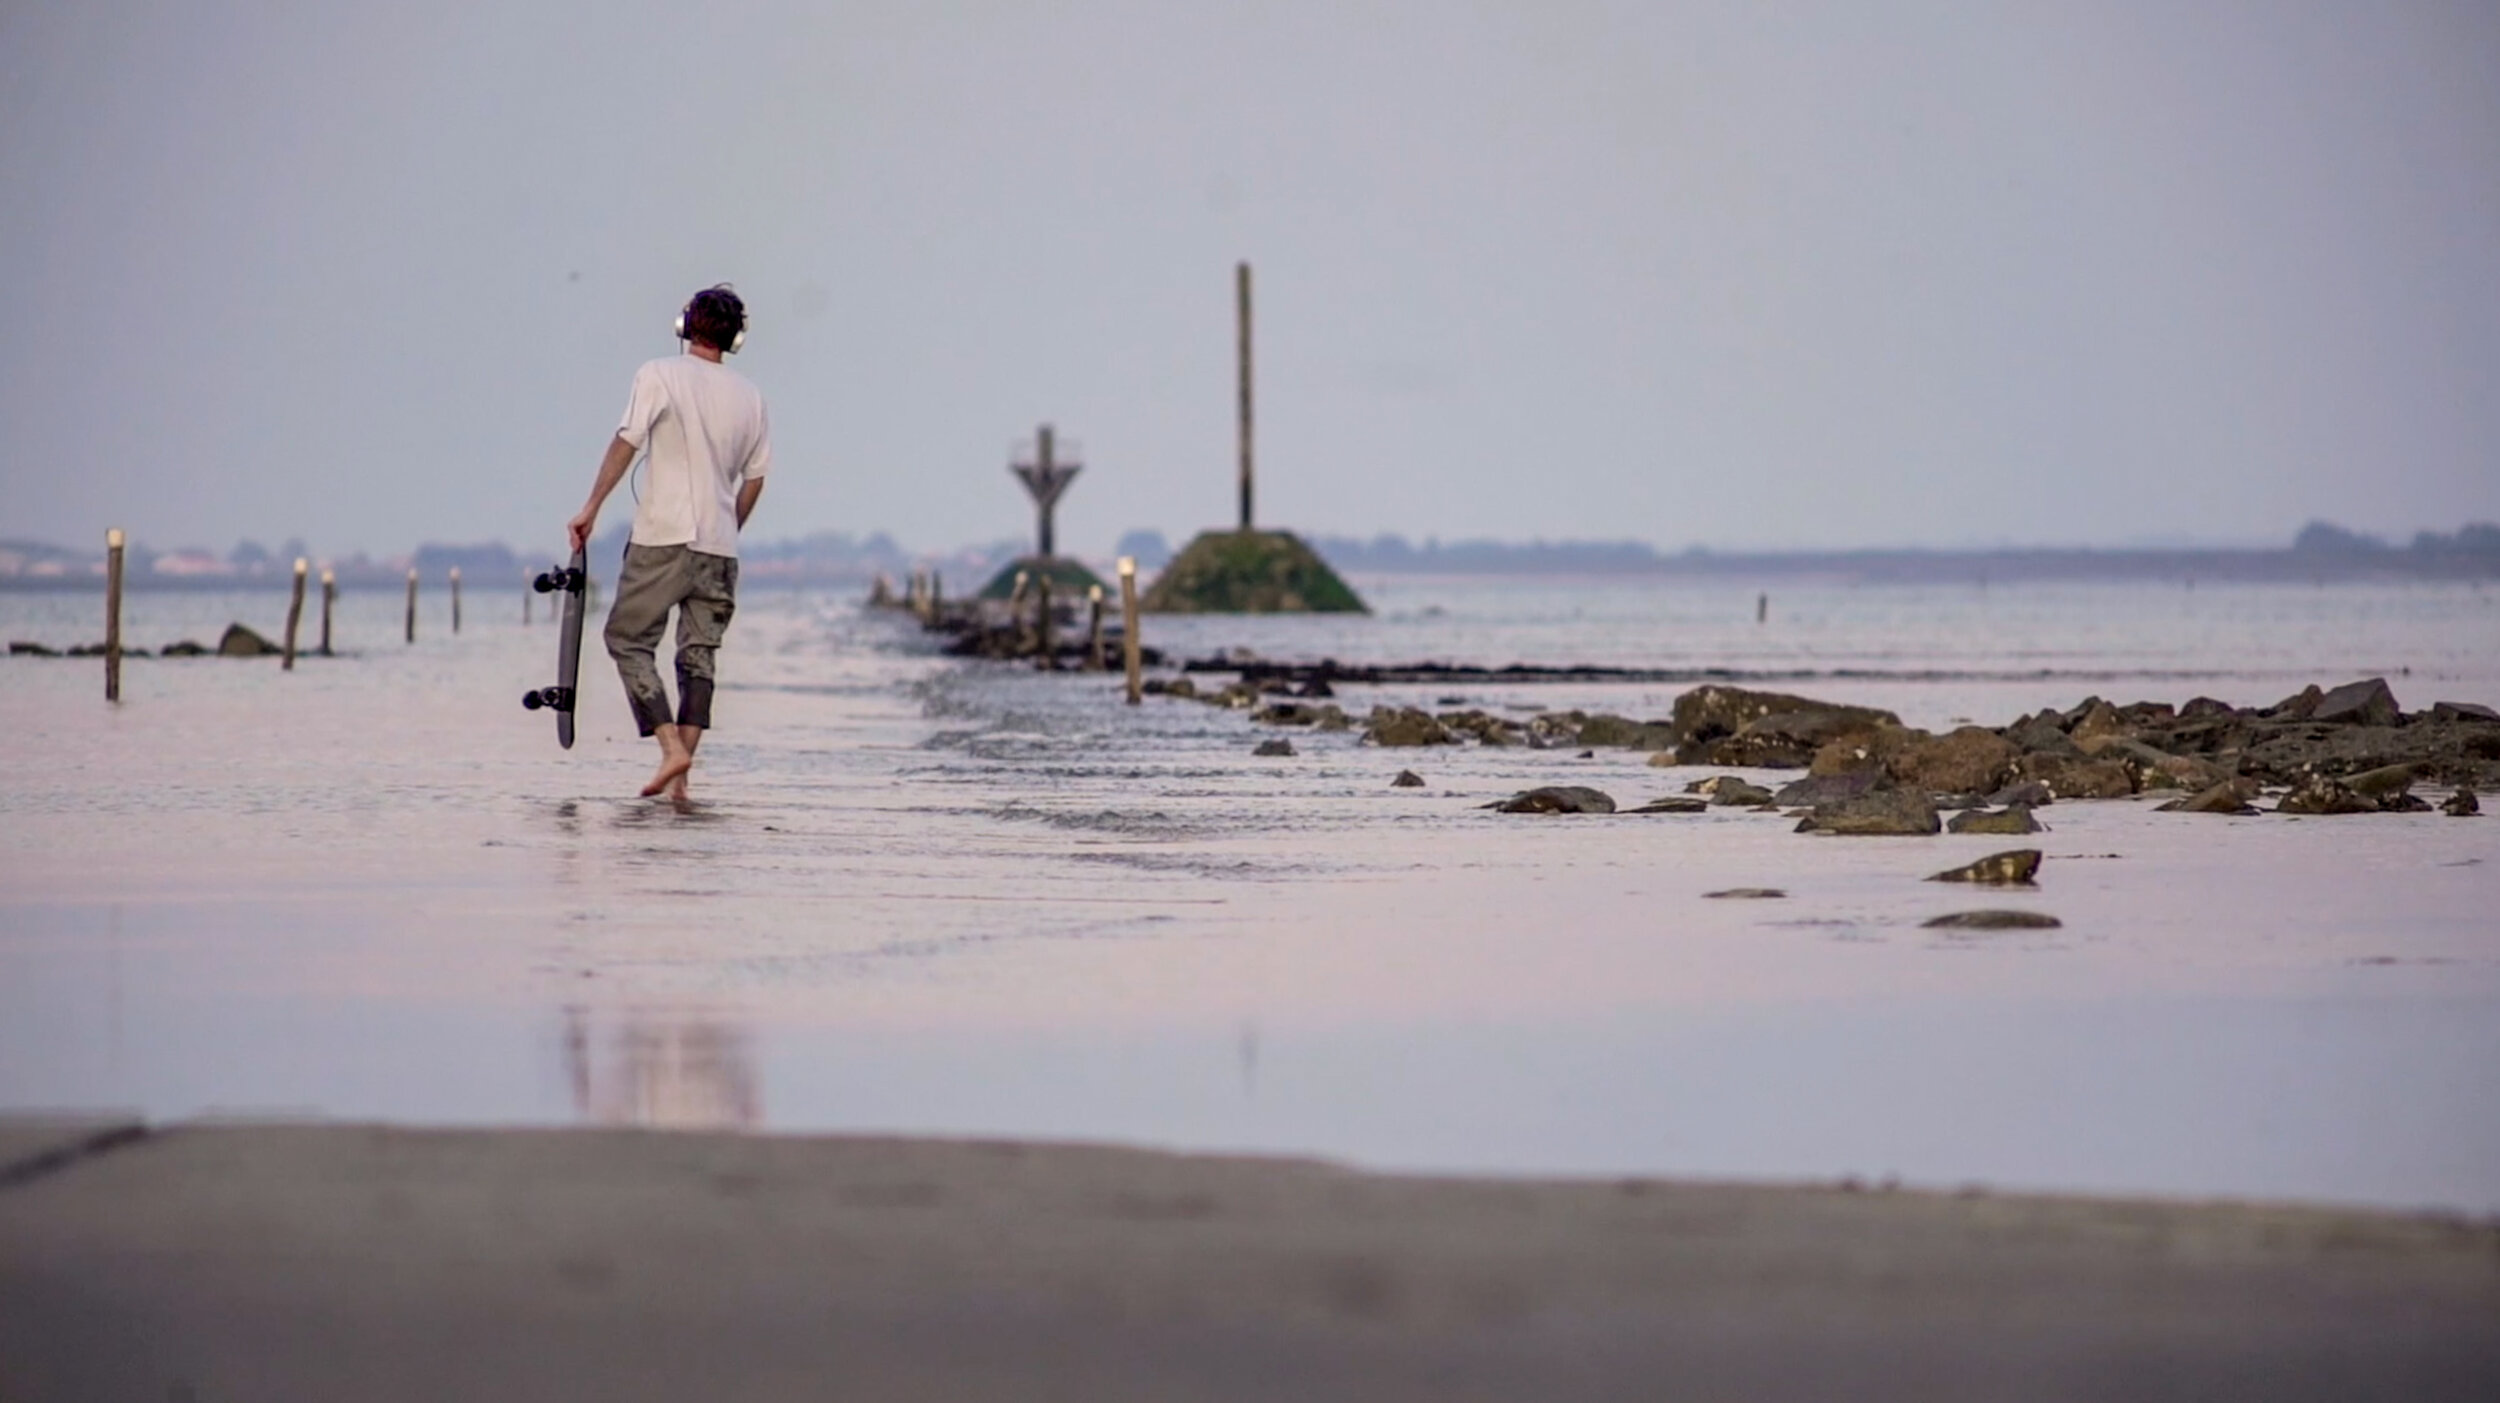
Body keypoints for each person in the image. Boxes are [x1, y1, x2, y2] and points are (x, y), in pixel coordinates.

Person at [567, 285, 771, 800]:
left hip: (665, 535)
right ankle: (680, 783)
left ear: (685, 326)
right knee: (698, 656)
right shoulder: (751, 396)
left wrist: (591, 507)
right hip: (720, 549)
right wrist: (730, 527)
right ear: (735, 337)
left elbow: (627, 440)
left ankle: (669, 749)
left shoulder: (659, 373)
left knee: (626, 639)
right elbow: (755, 479)